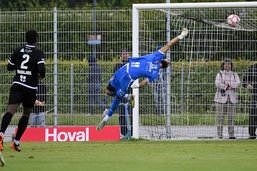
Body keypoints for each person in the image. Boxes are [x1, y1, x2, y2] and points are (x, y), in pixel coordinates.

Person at [96, 28, 189, 131]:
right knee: (115, 96)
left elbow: (169, 45)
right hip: (127, 79)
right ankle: (110, 114)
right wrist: (138, 85)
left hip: (123, 70)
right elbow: (145, 81)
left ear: (163, 60)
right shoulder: (155, 73)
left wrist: (181, 36)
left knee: (108, 92)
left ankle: (108, 116)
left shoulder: (156, 56)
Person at [0, 30, 46, 152]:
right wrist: (38, 75)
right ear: (36, 40)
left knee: (10, 111)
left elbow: (9, 67)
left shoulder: (18, 50)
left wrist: (19, 66)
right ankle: (16, 142)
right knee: (26, 114)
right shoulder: (38, 53)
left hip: (17, 84)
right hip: (29, 88)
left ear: (26, 38)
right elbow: (42, 70)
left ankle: (1, 134)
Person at [214, 58, 240, 139]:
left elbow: (238, 83)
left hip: (232, 98)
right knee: (220, 117)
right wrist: (226, 86)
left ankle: (231, 135)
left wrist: (228, 84)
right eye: (225, 64)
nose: (227, 65)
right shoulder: (219, 74)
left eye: (229, 64)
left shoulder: (235, 74)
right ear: (223, 65)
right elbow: (217, 83)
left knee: (231, 117)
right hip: (220, 99)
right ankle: (219, 135)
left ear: (231, 65)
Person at [113, 48, 133, 139]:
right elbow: (115, 77)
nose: (125, 55)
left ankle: (132, 133)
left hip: (130, 91)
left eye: (126, 53)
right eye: (123, 54)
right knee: (121, 113)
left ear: (129, 54)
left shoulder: (131, 65)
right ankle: (123, 133)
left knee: (131, 113)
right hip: (121, 92)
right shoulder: (117, 66)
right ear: (121, 56)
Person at [243, 63, 257, 139]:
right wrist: (247, 84)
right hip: (255, 94)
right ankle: (252, 134)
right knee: (253, 115)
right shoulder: (253, 67)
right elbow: (245, 80)